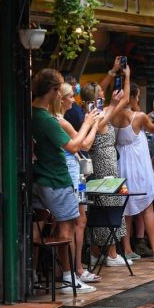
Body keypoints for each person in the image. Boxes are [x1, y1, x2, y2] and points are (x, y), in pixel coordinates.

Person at [29, 69, 105, 294]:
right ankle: (69, 277)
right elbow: (74, 146)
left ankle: (34, 275)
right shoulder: (47, 119)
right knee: (68, 226)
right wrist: (88, 122)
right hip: (56, 177)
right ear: (53, 91)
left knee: (40, 227)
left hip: (41, 177)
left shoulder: (32, 114)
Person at [50, 80, 105, 287]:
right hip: (70, 175)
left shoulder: (57, 120)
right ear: (61, 99)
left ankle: (69, 269)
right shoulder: (61, 122)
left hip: (70, 174)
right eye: (71, 96)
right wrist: (91, 124)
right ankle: (73, 270)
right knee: (74, 223)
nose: (74, 100)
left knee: (68, 223)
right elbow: (84, 145)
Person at [110, 75, 154, 261]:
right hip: (138, 168)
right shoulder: (139, 116)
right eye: (137, 97)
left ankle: (128, 250)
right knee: (147, 208)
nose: (138, 100)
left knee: (126, 209)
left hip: (123, 166)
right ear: (133, 97)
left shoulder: (114, 116)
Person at [81, 78, 133, 268]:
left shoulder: (100, 115)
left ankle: (101, 251)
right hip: (103, 164)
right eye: (99, 96)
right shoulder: (96, 117)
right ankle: (109, 253)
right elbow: (120, 103)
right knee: (108, 202)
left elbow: (124, 100)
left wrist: (124, 75)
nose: (103, 98)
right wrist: (112, 102)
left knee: (108, 202)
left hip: (109, 161)